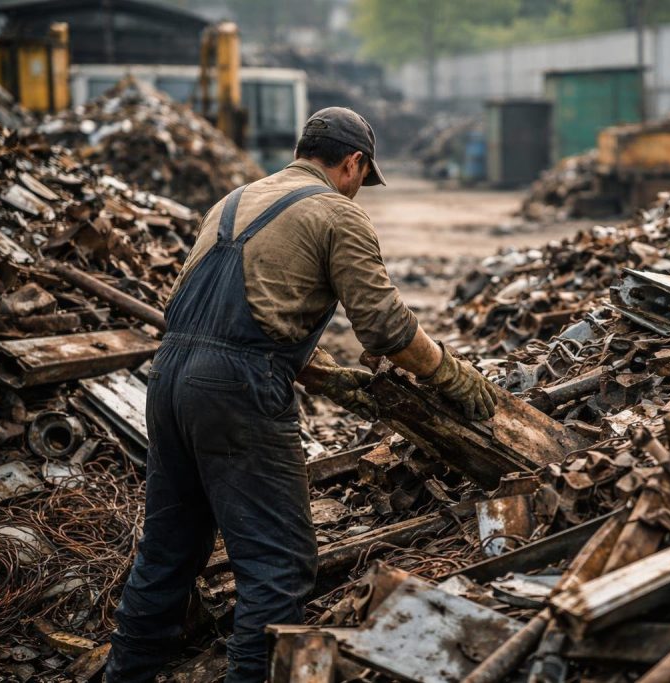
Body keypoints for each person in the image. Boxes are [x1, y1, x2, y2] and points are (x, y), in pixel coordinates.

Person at [104, 107, 498, 682]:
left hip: (168, 377)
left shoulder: (234, 201)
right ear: (353, 163)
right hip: (238, 390)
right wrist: (451, 374)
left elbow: (228, 309)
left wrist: (325, 373)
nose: (360, 187)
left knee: (167, 556)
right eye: (363, 176)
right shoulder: (337, 213)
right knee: (276, 566)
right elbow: (385, 328)